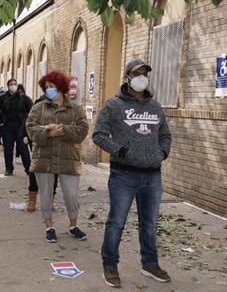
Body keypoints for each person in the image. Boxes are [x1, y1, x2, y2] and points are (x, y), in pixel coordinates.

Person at [92, 59, 172, 288]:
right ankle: (110, 265)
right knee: (116, 222)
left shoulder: (155, 107)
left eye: (144, 73)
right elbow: (98, 135)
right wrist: (121, 151)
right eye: (137, 73)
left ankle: (149, 263)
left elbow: (165, 134)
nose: (141, 77)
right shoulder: (113, 106)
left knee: (149, 223)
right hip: (123, 176)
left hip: (152, 176)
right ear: (127, 77)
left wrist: (162, 153)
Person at [26, 71, 89, 243]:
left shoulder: (75, 108)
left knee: (71, 195)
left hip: (68, 158)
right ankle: (49, 226)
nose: (49, 90)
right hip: (44, 158)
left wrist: (63, 130)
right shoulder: (38, 107)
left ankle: (73, 225)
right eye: (46, 87)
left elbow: (82, 130)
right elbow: (31, 128)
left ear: (61, 87)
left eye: (52, 87)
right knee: (46, 194)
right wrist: (48, 131)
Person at [0, 79, 32, 177]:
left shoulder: (23, 98)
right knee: (8, 149)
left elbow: (31, 111)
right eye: (11, 84)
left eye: (15, 84)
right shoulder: (3, 98)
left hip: (20, 127)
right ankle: (9, 168)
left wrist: (27, 123)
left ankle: (29, 169)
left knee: (23, 148)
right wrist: (0, 122)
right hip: (7, 127)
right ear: (8, 86)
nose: (13, 86)